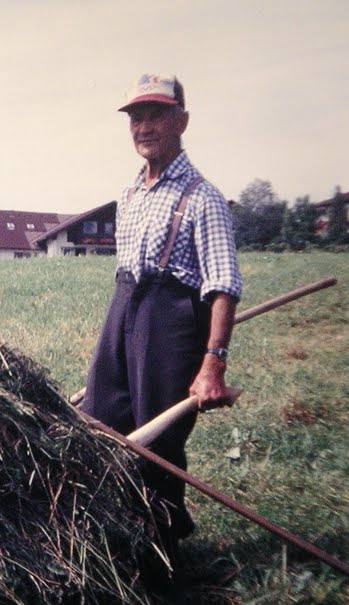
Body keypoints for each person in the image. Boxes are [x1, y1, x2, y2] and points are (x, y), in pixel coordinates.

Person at [81, 73, 242, 567]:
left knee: (157, 442)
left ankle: (161, 558)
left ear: (182, 121)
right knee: (97, 424)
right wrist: (118, 337)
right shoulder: (129, 196)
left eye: (156, 115)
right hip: (124, 312)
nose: (144, 126)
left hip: (169, 325)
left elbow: (223, 284)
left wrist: (212, 363)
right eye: (136, 117)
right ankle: (114, 539)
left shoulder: (203, 197)